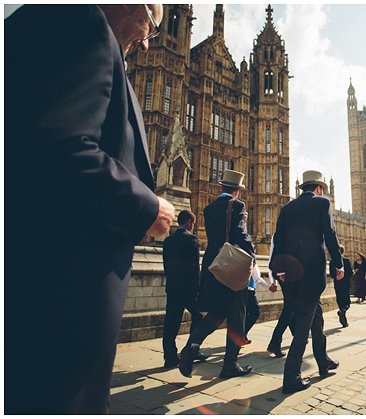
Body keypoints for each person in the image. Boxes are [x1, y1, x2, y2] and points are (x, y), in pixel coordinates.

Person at [6, 4, 175, 414]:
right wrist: (147, 206)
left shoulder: (43, 21)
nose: (149, 40)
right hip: (53, 313)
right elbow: (60, 150)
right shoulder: (82, 22)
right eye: (151, 23)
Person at [270, 170, 343, 394]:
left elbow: (278, 237)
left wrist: (278, 269)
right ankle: (291, 376)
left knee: (316, 317)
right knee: (303, 326)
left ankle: (323, 361)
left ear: (303, 188)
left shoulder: (287, 208)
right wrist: (338, 264)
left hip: (291, 273)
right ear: (319, 188)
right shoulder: (322, 203)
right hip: (312, 274)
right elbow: (330, 234)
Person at [179, 170, 255, 379]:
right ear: (237, 191)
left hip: (214, 266)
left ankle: (191, 346)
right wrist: (251, 253)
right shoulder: (237, 205)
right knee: (238, 316)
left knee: (216, 313)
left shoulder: (209, 207)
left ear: (221, 187)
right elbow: (240, 234)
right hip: (232, 267)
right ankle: (230, 364)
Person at [162, 210, 208, 368]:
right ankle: (191, 349)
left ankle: (170, 357)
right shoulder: (192, 239)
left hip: (173, 287)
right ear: (188, 222)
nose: (193, 227)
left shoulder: (168, 241)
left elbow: (166, 266)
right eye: (193, 224)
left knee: (171, 323)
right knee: (199, 316)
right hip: (188, 289)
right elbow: (194, 267)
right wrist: (197, 289)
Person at [246, 261, 278, 341]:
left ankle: (241, 335)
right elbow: (257, 278)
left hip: (239, 290)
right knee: (255, 312)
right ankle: (241, 334)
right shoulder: (251, 259)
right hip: (249, 290)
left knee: (244, 314)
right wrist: (269, 287)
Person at [332, 245, 353, 327]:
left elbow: (331, 273)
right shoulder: (346, 260)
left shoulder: (332, 261)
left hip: (337, 284)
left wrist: (337, 277)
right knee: (347, 302)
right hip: (345, 284)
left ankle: (343, 320)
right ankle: (342, 312)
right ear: (343, 252)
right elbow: (350, 272)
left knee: (340, 300)